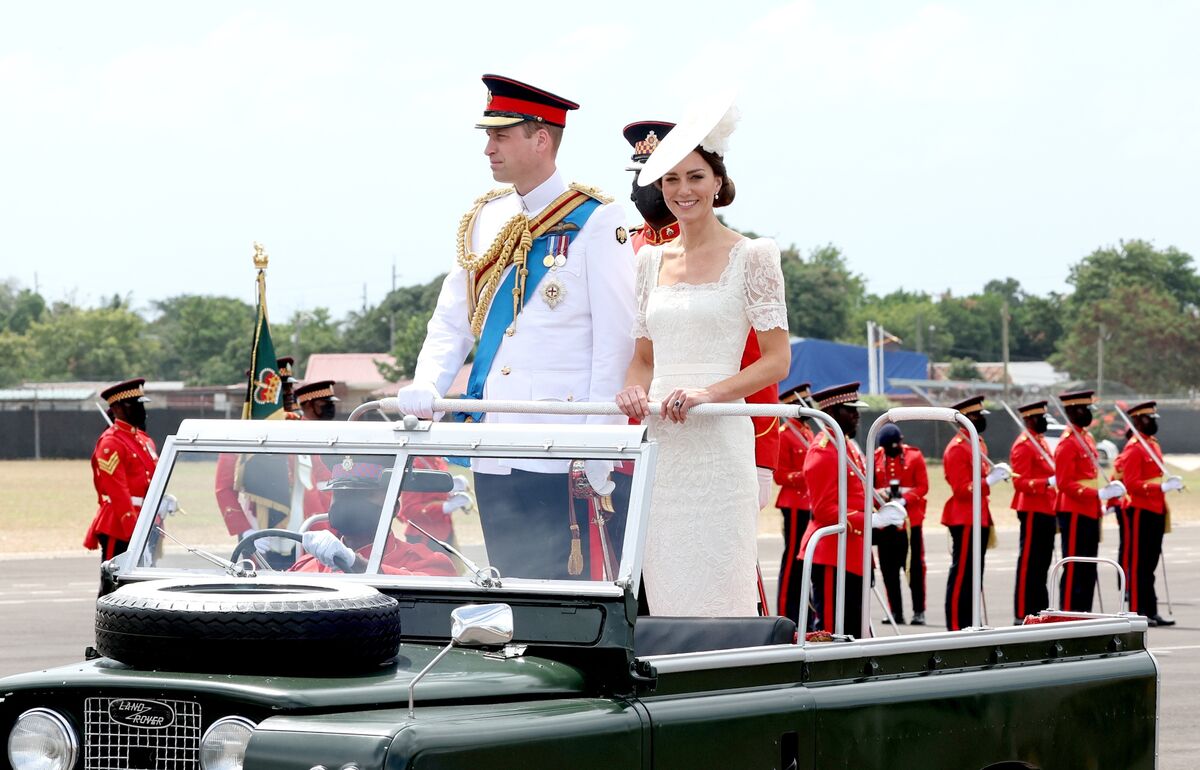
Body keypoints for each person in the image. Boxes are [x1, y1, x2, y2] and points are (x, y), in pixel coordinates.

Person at [396, 75, 636, 580]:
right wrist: (427, 384)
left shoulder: (596, 218)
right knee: (510, 579)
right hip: (494, 438)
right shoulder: (486, 216)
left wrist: (598, 446)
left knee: (566, 589)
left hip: (559, 442)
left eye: (500, 136)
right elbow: (452, 320)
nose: (488, 149)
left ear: (541, 138)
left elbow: (615, 342)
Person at [624, 119, 780, 514]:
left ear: (717, 181)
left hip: (721, 437)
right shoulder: (646, 259)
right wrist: (633, 391)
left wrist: (710, 395)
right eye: (671, 178)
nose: (683, 190)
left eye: (696, 176)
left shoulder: (754, 255)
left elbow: (775, 360)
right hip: (660, 442)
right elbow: (643, 360)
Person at [798, 383, 904, 638]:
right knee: (834, 631)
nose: (857, 415)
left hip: (852, 551)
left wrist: (883, 503)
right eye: (850, 410)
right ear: (833, 412)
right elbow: (824, 510)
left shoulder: (846, 446)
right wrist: (872, 520)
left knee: (855, 629)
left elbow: (858, 492)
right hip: (833, 554)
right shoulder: (823, 451)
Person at [293, 459, 457, 576]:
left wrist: (354, 563)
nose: (350, 504)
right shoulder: (307, 565)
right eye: (342, 494)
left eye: (364, 495)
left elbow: (426, 592)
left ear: (393, 508)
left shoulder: (424, 563)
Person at [942, 395, 1010, 631]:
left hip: (978, 515)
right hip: (964, 517)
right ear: (966, 418)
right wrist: (989, 480)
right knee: (961, 574)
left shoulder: (977, 442)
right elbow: (962, 490)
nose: (981, 419)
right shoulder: (957, 449)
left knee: (975, 573)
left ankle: (970, 620)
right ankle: (956, 624)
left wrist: (992, 475)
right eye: (977, 415)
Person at [1054, 389, 1126, 612]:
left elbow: (1088, 478)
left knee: (1088, 567)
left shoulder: (1086, 438)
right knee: (1075, 566)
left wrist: (1102, 496)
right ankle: (1068, 615)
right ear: (1074, 411)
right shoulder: (1067, 443)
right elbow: (1064, 483)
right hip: (1074, 510)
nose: (1088, 414)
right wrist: (1097, 495)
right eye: (1084, 409)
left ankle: (1084, 612)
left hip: (1089, 509)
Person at [1113, 401, 1181, 626]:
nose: (1153, 422)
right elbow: (1132, 483)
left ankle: (1151, 610)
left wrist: (1167, 485)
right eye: (1149, 418)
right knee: (1139, 563)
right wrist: (1159, 488)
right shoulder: (1134, 448)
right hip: (1140, 510)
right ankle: (1137, 610)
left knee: (1150, 563)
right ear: (1139, 420)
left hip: (1155, 508)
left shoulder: (1151, 444)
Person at [84, 379, 158, 565]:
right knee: (114, 585)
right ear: (117, 409)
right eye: (133, 405)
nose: (141, 410)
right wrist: (133, 528)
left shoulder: (143, 440)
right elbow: (117, 490)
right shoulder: (111, 442)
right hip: (121, 523)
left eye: (141, 405)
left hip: (145, 519)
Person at [873, 423, 930, 626]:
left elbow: (923, 486)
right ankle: (895, 611)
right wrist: (880, 495)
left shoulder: (914, 456)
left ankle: (918, 611)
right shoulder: (876, 458)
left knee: (914, 568)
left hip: (909, 522)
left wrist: (904, 500)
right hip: (886, 523)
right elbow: (868, 486)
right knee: (888, 570)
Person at [1009, 400, 1058, 622]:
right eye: (1039, 417)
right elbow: (1020, 483)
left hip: (1046, 508)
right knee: (1029, 562)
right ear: (1029, 420)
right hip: (1031, 508)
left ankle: (1039, 607)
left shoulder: (1040, 442)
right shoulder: (1024, 445)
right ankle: (1022, 611)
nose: (1044, 421)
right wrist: (1046, 482)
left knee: (1042, 562)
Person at [774, 382, 814, 623]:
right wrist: (807, 474)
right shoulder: (785, 434)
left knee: (805, 560)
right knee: (792, 559)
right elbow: (781, 475)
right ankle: (786, 609)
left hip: (809, 503)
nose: (808, 405)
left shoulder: (807, 431)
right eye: (804, 401)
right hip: (794, 503)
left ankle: (804, 610)